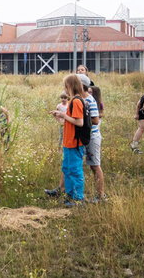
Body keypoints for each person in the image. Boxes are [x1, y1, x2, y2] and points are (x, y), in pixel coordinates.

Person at [50, 74, 88, 207]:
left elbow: (79, 122)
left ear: (70, 86)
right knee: (67, 169)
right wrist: (60, 116)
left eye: (65, 85)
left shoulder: (76, 101)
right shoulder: (73, 101)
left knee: (75, 170)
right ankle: (70, 195)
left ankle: (78, 198)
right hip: (68, 141)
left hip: (74, 142)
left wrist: (63, 114)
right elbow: (68, 121)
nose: (64, 88)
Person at [78, 75, 105, 202]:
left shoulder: (89, 100)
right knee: (73, 163)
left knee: (95, 166)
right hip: (82, 136)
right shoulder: (78, 99)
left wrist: (80, 120)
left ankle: (100, 195)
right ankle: (61, 189)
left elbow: (95, 120)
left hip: (92, 137)